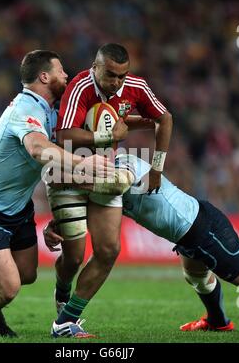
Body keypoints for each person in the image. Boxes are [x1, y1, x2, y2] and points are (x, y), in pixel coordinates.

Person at [0, 50, 113, 338]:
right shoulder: (25, 108)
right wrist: (85, 163)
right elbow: (38, 150)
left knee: (27, 275)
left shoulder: (51, 111)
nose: (66, 75)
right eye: (61, 70)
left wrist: (57, 213)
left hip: (18, 207)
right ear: (44, 76)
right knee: (9, 288)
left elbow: (51, 164)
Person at [48, 43, 173, 338]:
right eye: (111, 75)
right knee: (74, 257)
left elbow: (164, 118)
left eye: (122, 75)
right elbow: (64, 134)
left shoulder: (136, 87)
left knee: (108, 250)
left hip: (105, 172)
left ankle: (65, 321)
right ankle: (62, 289)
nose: (117, 82)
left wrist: (157, 168)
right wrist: (109, 133)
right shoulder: (80, 86)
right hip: (71, 175)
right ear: (95, 67)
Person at [44, 154, 239, 333]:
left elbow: (118, 184)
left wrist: (64, 180)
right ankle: (218, 322)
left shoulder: (125, 164)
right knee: (197, 278)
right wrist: (56, 224)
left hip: (204, 229)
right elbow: (92, 212)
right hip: (186, 236)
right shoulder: (101, 183)